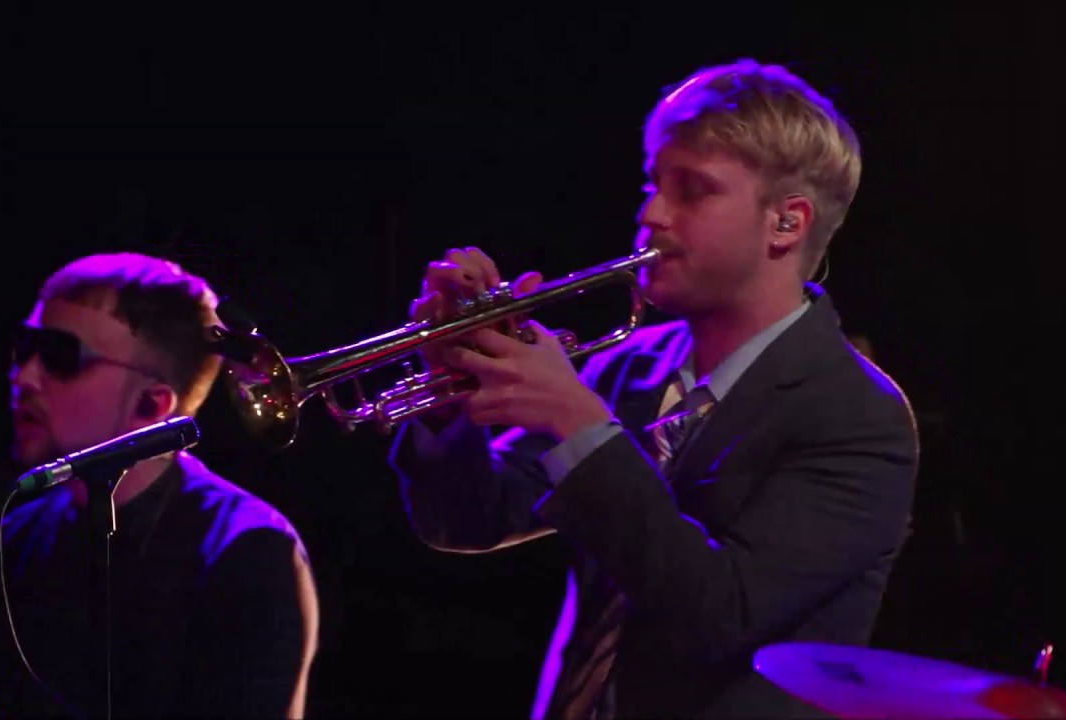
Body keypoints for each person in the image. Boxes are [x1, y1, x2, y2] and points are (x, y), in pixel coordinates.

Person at [389, 59, 919, 719]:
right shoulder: (628, 368)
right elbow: (467, 521)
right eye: (653, 182)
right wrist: (450, 393)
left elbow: (719, 616)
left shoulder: (858, 417)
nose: (652, 212)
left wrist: (580, 425)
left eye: (692, 191)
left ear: (787, 223)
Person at [0, 253, 319, 718]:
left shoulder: (247, 552)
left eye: (59, 356)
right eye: (24, 347)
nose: (24, 376)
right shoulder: (4, 547)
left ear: (152, 407)